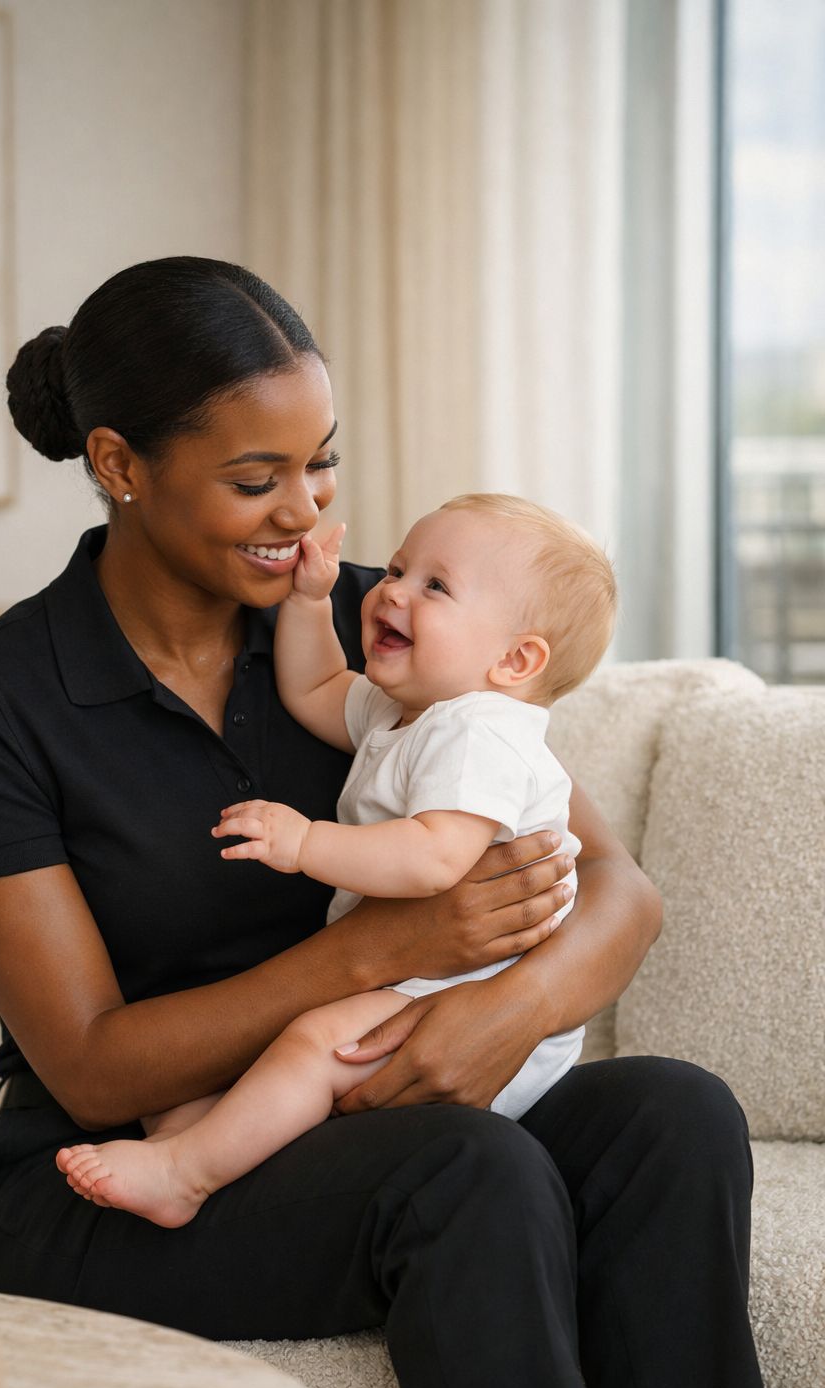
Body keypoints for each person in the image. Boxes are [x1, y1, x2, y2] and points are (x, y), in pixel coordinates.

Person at [0, 256, 776, 1388]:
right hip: (116, 1162)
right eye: (255, 479)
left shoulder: (376, 619)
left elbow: (617, 893)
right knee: (467, 1168)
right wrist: (385, 949)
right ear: (119, 463)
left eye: (320, 464)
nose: (304, 509)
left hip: (373, 1098)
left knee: (674, 1114)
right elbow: (89, 1068)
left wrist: (503, 1011)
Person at [56, 494, 617, 1226]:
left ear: (515, 660)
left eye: (435, 586)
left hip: (473, 1001)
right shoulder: (407, 708)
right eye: (398, 569)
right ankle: (192, 1131)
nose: (392, 591)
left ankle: (182, 1176)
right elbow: (316, 687)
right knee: (234, 1065)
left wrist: (306, 843)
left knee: (313, 1042)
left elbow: (434, 859)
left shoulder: (480, 732)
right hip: (419, 976)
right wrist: (310, 604)